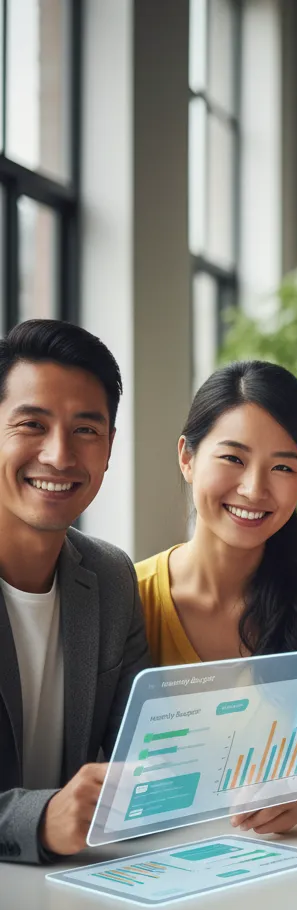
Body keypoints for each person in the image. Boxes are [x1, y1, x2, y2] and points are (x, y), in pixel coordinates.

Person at [134, 361, 297, 835]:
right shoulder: (131, 595)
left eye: (282, 467)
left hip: (286, 851)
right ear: (187, 457)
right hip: (156, 853)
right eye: (233, 458)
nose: (255, 489)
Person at [0, 320, 149, 864]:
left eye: (86, 430)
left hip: (72, 889)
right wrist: (40, 819)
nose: (60, 456)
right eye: (32, 424)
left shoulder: (111, 576)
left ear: (109, 448)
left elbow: (143, 750)